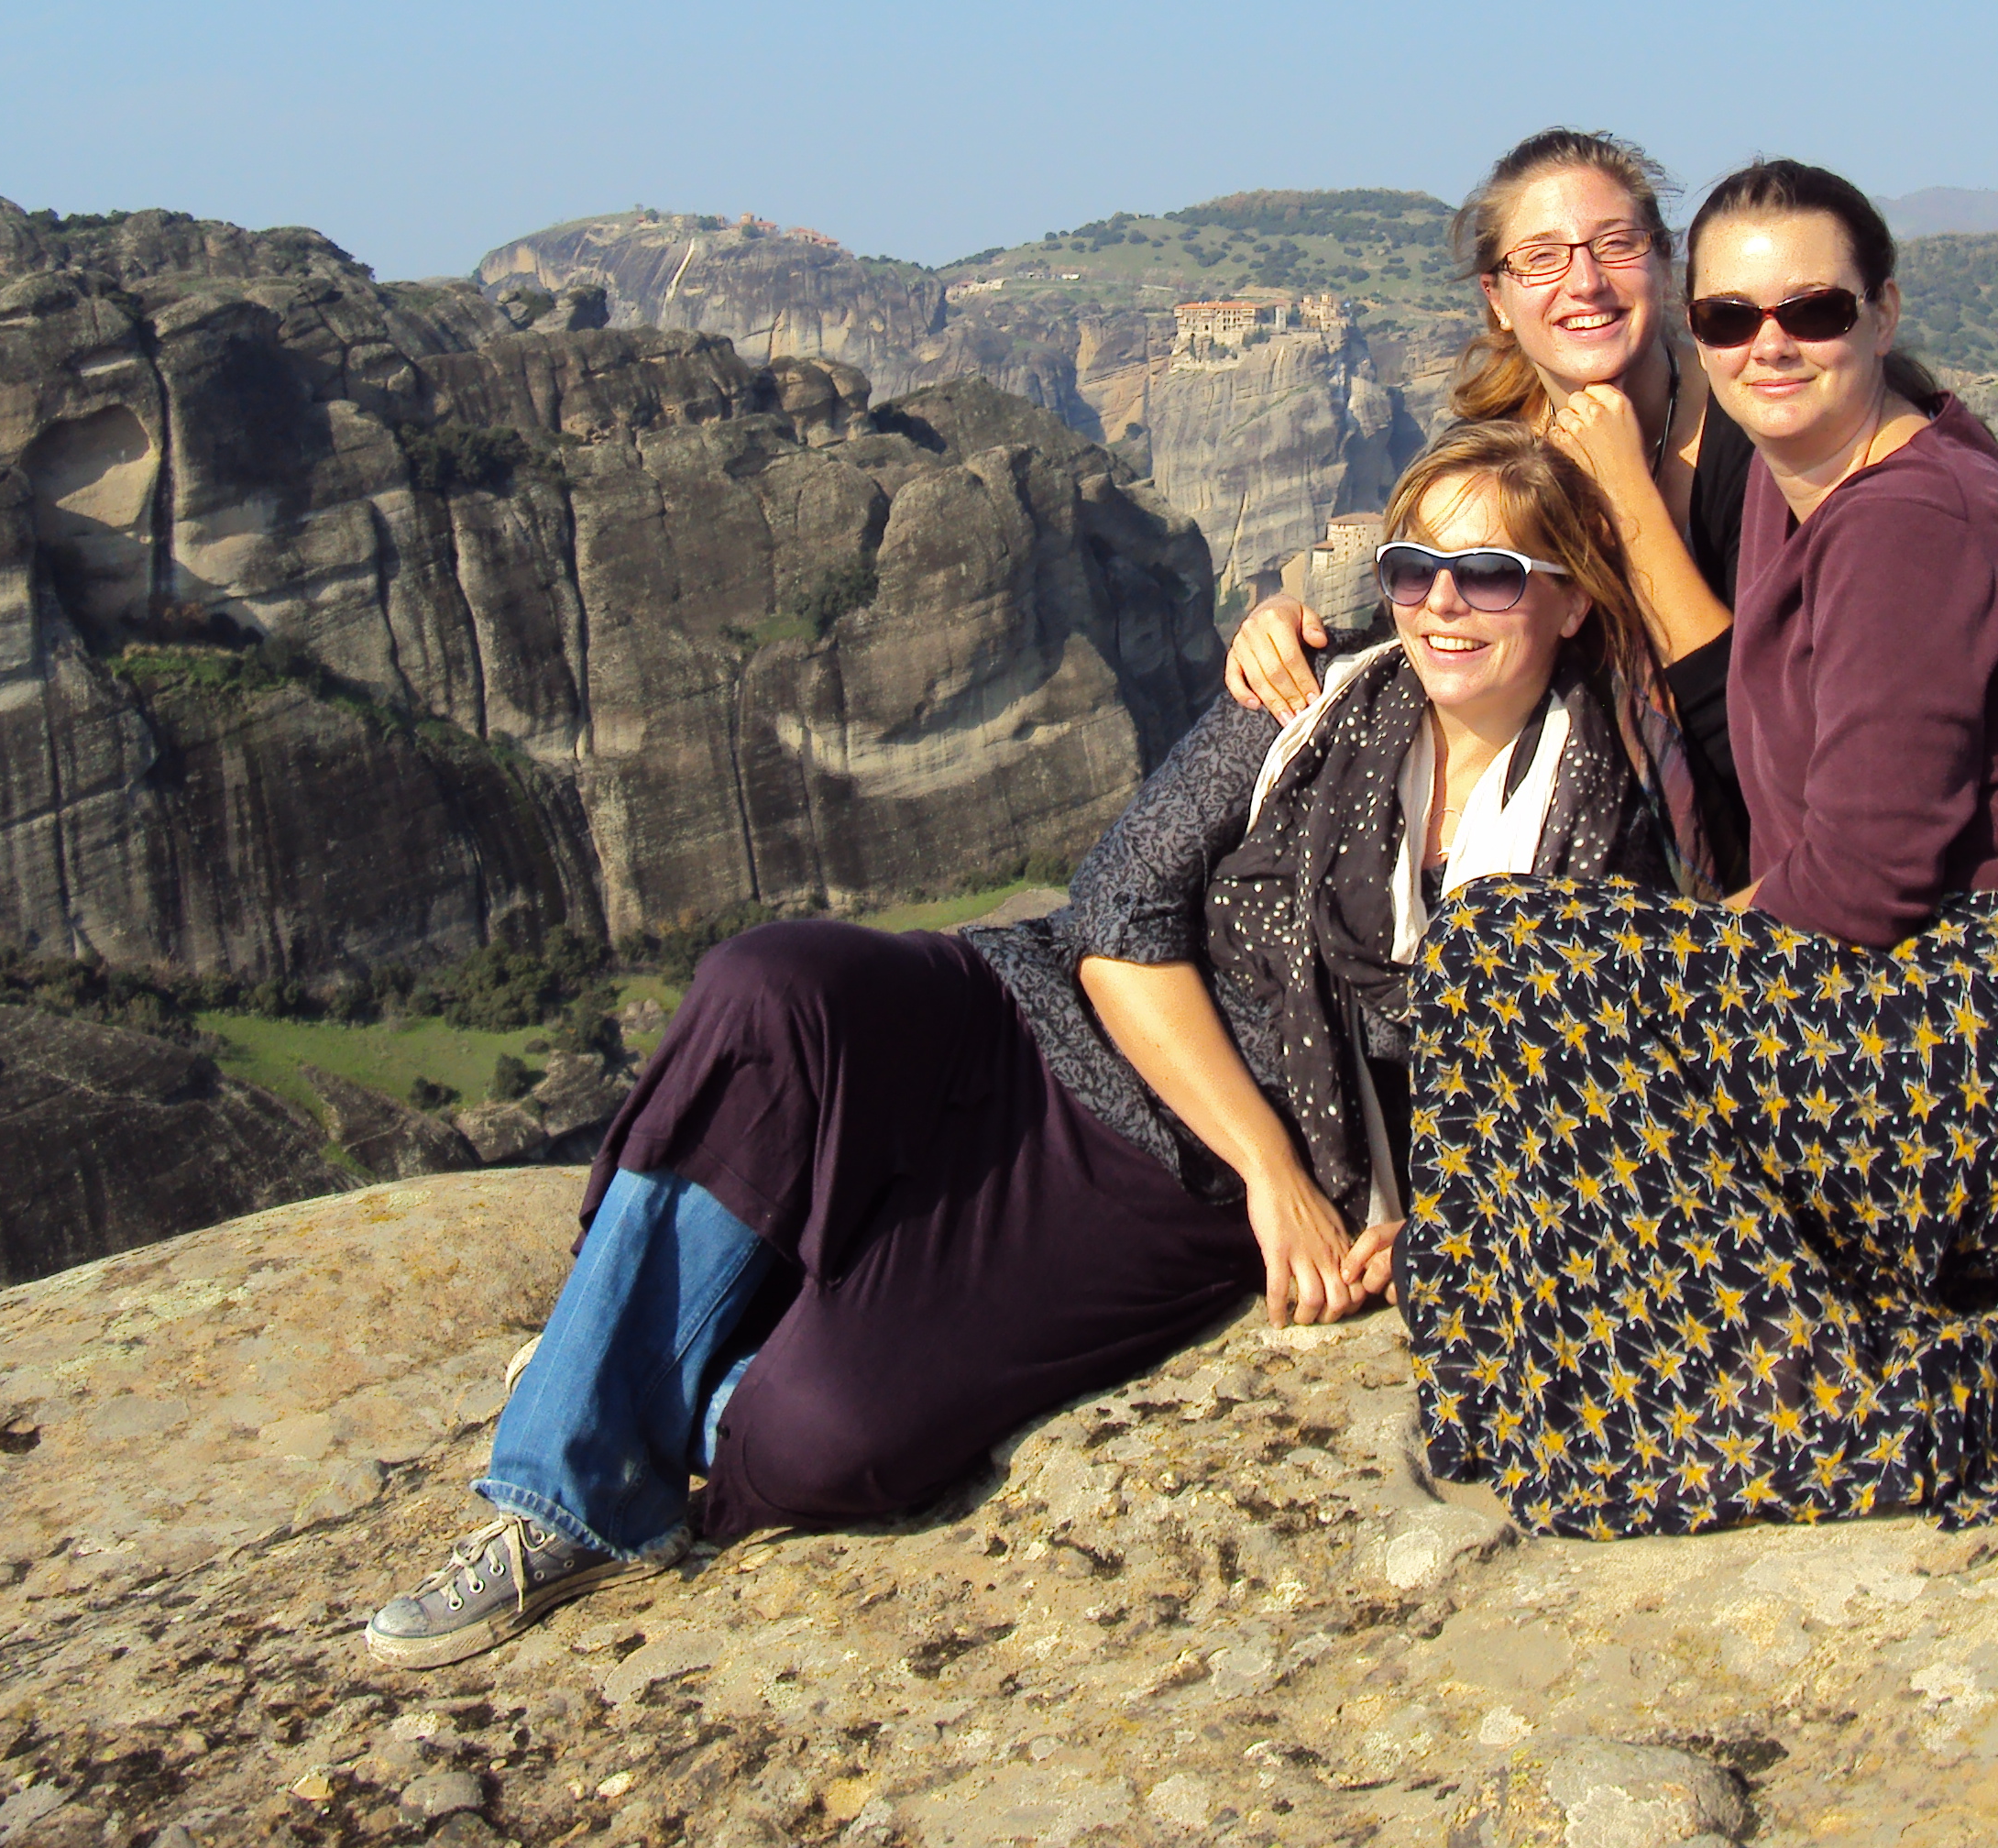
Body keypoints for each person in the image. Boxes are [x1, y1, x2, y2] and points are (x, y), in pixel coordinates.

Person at [364, 423, 1675, 1668]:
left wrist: (1430, 1221)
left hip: (1159, 1186)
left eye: (1489, 573)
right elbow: (1117, 913)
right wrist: (1278, 1168)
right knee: (770, 986)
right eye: (1414, 567)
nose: (1441, 604)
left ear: (1565, 601)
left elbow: (1544, 1104)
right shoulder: (1312, 692)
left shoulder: (1597, 834)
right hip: (1036, 1013)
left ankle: (652, 1355)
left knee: (823, 1440)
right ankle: (566, 1488)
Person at [1395, 158, 1998, 1541]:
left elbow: (1858, 888)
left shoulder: (1902, 524)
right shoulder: (1809, 476)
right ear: (1694, 334)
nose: (1770, 345)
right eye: (1730, 320)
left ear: (1881, 314)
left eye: (1812, 312)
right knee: (1522, 963)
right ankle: (1534, 1374)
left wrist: (1651, 985)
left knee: (1511, 958)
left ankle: (1822, 1404)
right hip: (1943, 1001)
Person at [1223, 128, 1756, 882]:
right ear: (1497, 298)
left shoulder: (1751, 448)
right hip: (1522, 849)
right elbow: (1427, 626)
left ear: (1664, 266)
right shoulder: (1492, 453)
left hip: (1714, 880)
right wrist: (1286, 625)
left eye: (1616, 244)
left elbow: (1758, 741)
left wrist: (1627, 496)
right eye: (1541, 257)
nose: (1586, 282)